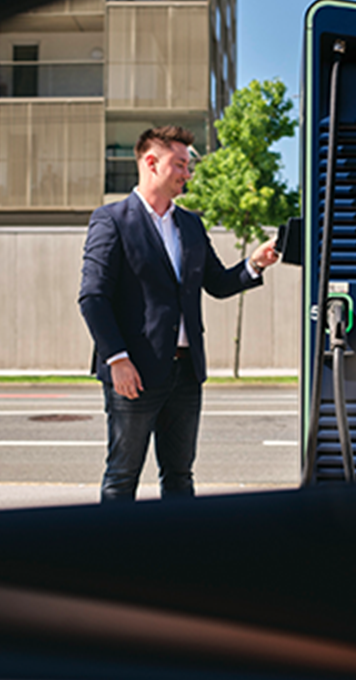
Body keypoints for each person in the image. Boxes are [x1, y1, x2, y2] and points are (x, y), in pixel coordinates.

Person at [79, 126, 280, 503]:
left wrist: (255, 263)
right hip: (133, 375)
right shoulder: (112, 220)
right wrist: (117, 359)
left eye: (189, 166)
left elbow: (218, 283)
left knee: (180, 475)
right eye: (181, 164)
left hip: (186, 374)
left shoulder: (190, 224)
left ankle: (178, 554)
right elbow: (93, 298)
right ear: (151, 162)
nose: (188, 173)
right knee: (122, 477)